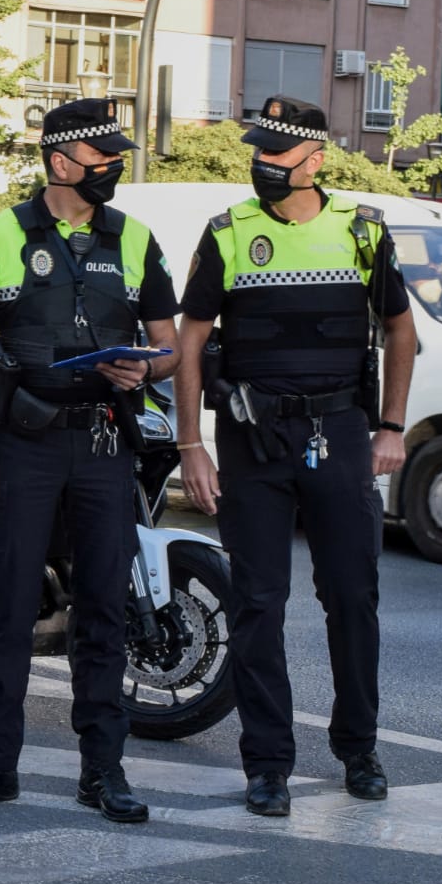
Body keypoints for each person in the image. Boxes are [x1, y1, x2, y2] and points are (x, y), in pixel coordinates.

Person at [173, 96, 418, 819]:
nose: (263, 165)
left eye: (277, 154)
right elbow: (190, 343)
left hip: (339, 433)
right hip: (253, 439)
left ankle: (360, 748)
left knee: (351, 596)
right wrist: (193, 444)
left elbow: (400, 332)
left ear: (316, 160)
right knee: (257, 603)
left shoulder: (363, 233)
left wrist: (392, 426)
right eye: (260, 152)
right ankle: (268, 764)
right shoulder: (227, 233)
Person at [0, 97, 181, 824]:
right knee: (11, 608)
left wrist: (147, 370)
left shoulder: (135, 239)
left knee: (103, 612)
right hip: (23, 447)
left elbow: (168, 346)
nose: (112, 166)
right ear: (59, 161)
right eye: (101, 156)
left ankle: (102, 771)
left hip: (104, 444)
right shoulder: (4, 234)